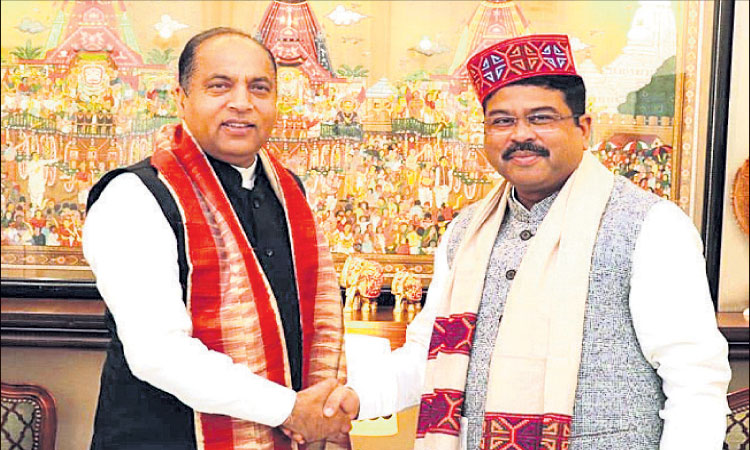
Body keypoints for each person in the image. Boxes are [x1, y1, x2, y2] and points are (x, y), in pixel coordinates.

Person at [322, 34, 731, 450]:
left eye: (541, 118)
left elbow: (695, 380)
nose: (520, 134)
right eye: (502, 121)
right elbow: (427, 354)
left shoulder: (651, 226)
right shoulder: (465, 232)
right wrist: (356, 397)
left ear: (583, 128)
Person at [83, 27, 353, 449]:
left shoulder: (289, 193)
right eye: (219, 86)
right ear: (182, 98)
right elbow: (157, 352)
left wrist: (325, 406)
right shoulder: (134, 196)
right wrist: (289, 409)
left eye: (259, 88)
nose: (242, 102)